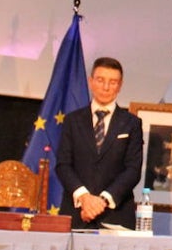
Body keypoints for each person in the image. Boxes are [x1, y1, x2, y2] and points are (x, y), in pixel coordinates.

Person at [55, 56, 143, 230]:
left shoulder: (132, 123)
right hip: (76, 212)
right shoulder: (72, 121)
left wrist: (102, 201)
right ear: (90, 81)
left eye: (112, 82)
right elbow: (63, 165)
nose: (105, 87)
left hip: (115, 214)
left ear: (120, 85)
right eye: (100, 80)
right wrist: (85, 198)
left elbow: (133, 170)